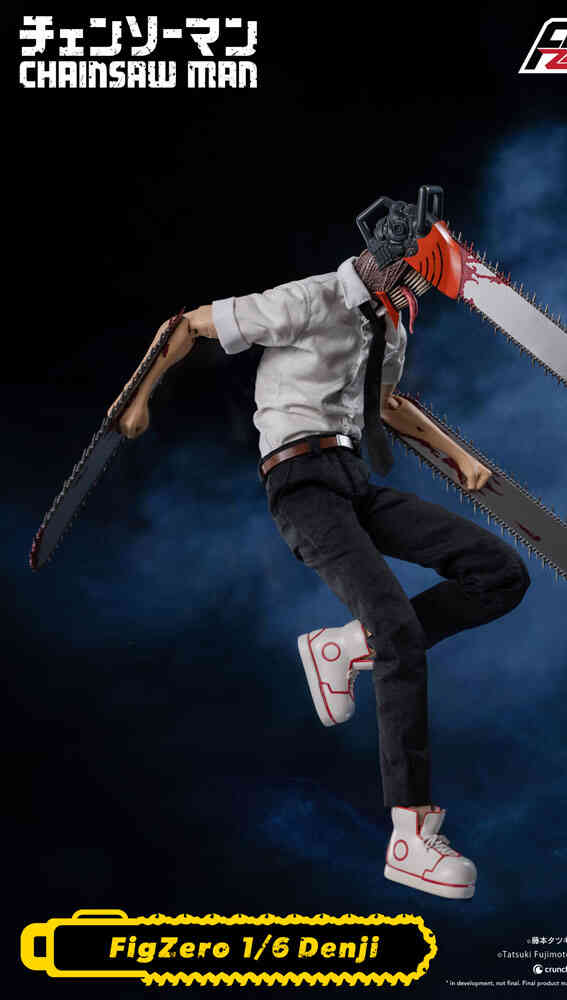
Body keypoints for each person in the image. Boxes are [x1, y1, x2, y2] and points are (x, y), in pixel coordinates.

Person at [115, 189, 530, 899]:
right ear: (383, 259)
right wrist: (138, 395)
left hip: (354, 480)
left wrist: (457, 456)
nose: (413, 288)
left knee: (500, 573)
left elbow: (387, 404)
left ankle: (344, 647)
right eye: (408, 272)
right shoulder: (309, 299)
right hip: (300, 485)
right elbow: (188, 325)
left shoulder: (390, 326)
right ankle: (410, 836)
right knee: (398, 633)